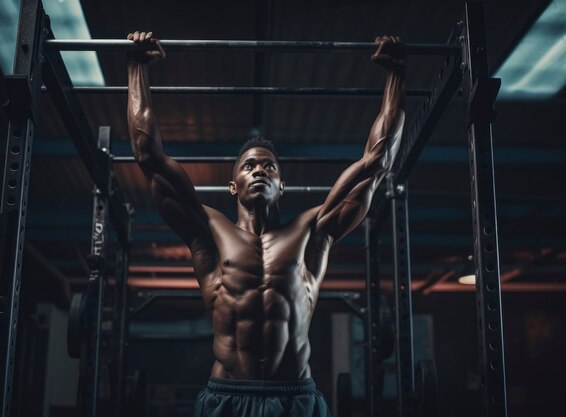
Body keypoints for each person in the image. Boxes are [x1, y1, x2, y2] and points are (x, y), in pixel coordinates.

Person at [126, 30, 405, 417]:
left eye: (269, 166)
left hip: (294, 398)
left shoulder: (312, 231)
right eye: (249, 165)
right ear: (233, 185)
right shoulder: (209, 231)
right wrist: (137, 66)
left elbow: (377, 162)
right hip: (226, 395)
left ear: (281, 185)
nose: (260, 170)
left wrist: (396, 76)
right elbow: (148, 155)